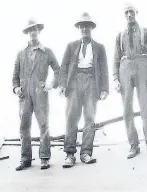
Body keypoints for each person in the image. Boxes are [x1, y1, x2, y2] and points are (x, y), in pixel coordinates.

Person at [59, 12, 109, 168]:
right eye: (82, 26)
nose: (84, 29)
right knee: (71, 117)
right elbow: (64, 67)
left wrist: (104, 89)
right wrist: (62, 85)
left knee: (89, 117)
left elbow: (104, 69)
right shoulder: (71, 46)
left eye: (87, 26)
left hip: (91, 82)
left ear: (91, 28)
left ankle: (86, 153)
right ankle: (69, 154)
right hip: (74, 82)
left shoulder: (99, 47)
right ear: (78, 28)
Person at [12, 19, 60, 171]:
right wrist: (16, 89)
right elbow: (14, 78)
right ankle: (25, 159)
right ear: (27, 33)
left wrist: (51, 84)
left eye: (35, 29)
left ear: (39, 31)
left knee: (43, 125)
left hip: (40, 92)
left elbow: (58, 71)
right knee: (24, 126)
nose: (33, 32)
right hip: (24, 95)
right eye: (30, 30)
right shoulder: (21, 53)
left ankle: (44, 157)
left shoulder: (47, 51)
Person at [114, 4, 147, 159]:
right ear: (123, 15)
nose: (129, 15)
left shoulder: (146, 33)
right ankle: (133, 145)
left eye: (131, 12)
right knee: (127, 108)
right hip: (124, 69)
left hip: (142, 66)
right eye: (126, 12)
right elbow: (115, 59)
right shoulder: (120, 36)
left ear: (136, 13)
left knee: (145, 105)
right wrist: (115, 78)